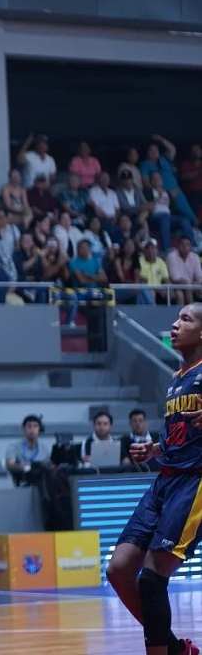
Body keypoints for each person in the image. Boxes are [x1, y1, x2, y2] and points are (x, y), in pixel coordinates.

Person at [107, 304, 202, 655]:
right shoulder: (177, 378)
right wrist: (155, 450)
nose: (175, 325)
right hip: (165, 479)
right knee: (118, 570)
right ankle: (176, 648)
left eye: (185, 319)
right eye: (176, 318)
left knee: (151, 577)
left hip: (195, 483)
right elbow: (181, 436)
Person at [4, 415, 51, 486]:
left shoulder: (44, 449)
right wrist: (28, 467)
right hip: (23, 479)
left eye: (35, 426)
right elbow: (10, 465)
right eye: (29, 426)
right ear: (24, 429)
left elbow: (49, 466)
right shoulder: (14, 447)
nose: (32, 429)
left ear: (40, 429)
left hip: (43, 479)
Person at [167, 236, 202, 306]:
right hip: (175, 286)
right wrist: (189, 284)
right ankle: (190, 313)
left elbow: (199, 277)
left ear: (190, 246)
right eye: (182, 244)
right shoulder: (171, 256)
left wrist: (195, 283)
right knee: (181, 294)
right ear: (178, 246)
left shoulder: (195, 257)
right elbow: (175, 278)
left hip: (191, 284)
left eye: (187, 245)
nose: (185, 247)